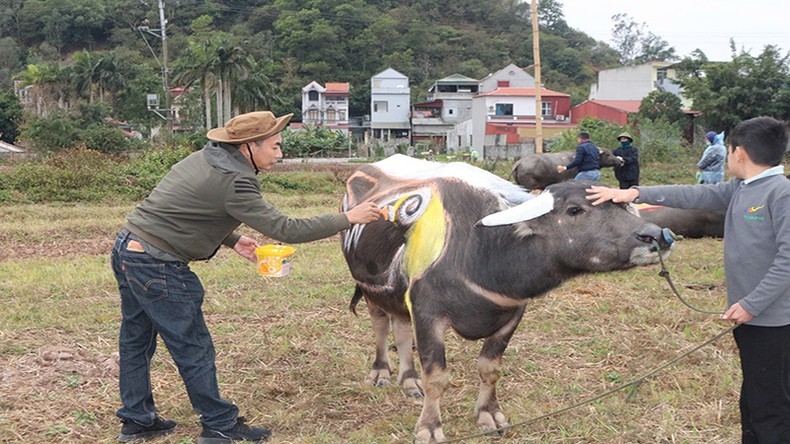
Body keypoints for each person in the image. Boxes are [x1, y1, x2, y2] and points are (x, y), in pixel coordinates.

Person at [110, 111, 381, 443]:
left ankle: (137, 419)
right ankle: (219, 425)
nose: (280, 154)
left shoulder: (204, 158)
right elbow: (286, 229)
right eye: (276, 146)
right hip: (157, 264)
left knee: (136, 341)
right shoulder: (236, 180)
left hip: (129, 248)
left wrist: (232, 239)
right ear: (249, 146)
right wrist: (348, 217)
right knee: (193, 346)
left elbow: (182, 207)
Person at [586, 116, 790, 443]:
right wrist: (635, 193)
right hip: (750, 316)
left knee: (771, 403)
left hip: (773, 321)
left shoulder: (780, 193)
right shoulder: (741, 188)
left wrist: (752, 304)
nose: (727, 157)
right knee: (754, 393)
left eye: (729, 151)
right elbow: (693, 195)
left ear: (739, 153)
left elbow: (787, 261)